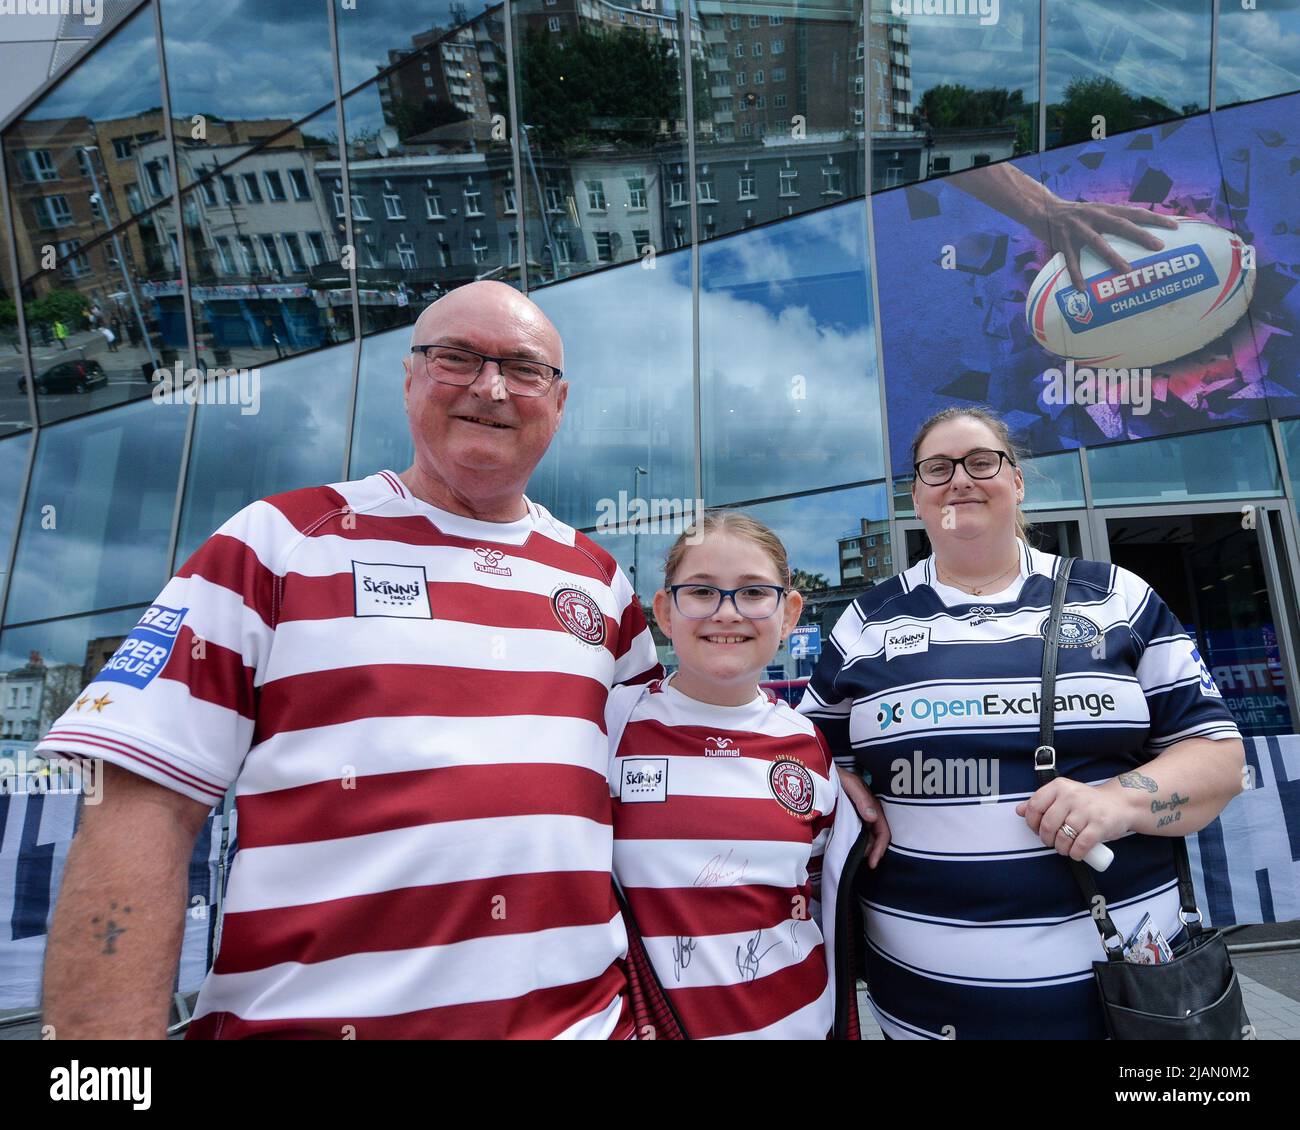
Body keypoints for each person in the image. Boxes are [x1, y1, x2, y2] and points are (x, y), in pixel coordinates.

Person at [37, 280, 662, 1039]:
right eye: (457, 358)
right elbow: (142, 808)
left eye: (524, 369)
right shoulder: (275, 543)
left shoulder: (601, 583)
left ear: (558, 402)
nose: (491, 388)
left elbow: (661, 789)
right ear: (409, 381)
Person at [799, 406, 1245, 1040]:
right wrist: (838, 780)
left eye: (982, 462)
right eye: (937, 469)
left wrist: (1117, 802)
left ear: (1018, 483)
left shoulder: (1117, 597)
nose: (961, 480)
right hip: (926, 1010)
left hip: (1128, 1007)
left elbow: (1221, 761)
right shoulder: (866, 623)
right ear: (917, 500)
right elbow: (799, 756)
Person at [608, 512, 886, 1039]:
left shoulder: (807, 745)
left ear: (788, 614)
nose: (727, 613)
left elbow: (818, 899)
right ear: (665, 611)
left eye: (754, 592)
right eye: (702, 591)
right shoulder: (612, 728)